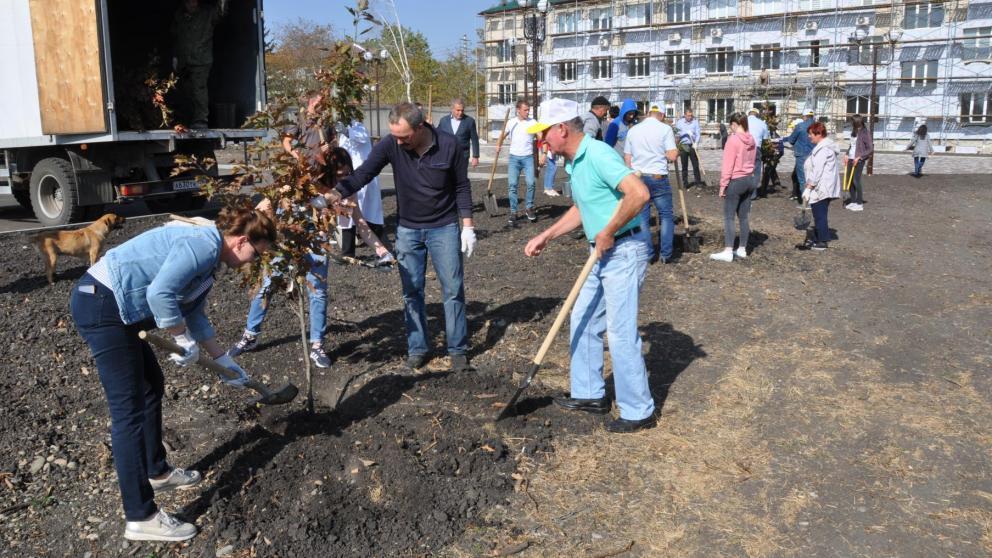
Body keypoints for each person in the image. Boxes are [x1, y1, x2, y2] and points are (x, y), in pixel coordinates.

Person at [70, 204, 276, 542]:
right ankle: (141, 517)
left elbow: (193, 312)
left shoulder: (212, 257)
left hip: (115, 306)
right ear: (241, 241)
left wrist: (223, 359)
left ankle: (157, 472)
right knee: (128, 412)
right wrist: (180, 337)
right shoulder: (204, 245)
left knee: (152, 386)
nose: (253, 261)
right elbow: (160, 293)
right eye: (256, 253)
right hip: (102, 305)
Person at [523, 98, 655, 434]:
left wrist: (609, 230)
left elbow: (639, 194)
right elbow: (584, 207)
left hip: (624, 249)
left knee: (620, 331)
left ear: (561, 129)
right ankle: (589, 394)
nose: (541, 141)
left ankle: (638, 410)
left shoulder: (597, 154)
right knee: (582, 316)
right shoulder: (575, 162)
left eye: (543, 134)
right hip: (601, 251)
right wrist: (547, 235)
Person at [323, 102, 475, 372]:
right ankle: (418, 349)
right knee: (412, 292)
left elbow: (462, 186)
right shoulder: (391, 144)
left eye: (404, 136)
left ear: (420, 127)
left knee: (453, 290)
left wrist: (468, 226)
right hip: (408, 230)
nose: (398, 141)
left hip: (444, 227)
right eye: (395, 135)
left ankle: (458, 350)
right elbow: (364, 173)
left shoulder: (449, 145)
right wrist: (336, 193)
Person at [624, 105, 678, 263]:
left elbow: (627, 157)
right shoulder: (665, 129)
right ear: (661, 115)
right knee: (666, 215)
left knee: (642, 217)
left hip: (638, 177)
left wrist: (630, 177)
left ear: (648, 114)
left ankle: (647, 253)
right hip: (658, 176)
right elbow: (672, 156)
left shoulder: (633, 130)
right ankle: (666, 254)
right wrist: (675, 149)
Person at [337, 118, 389, 258]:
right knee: (347, 216)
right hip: (347, 179)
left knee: (370, 217)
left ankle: (384, 251)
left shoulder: (359, 127)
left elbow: (362, 137)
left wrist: (347, 131)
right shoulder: (342, 136)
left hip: (363, 178)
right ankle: (347, 254)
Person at [171, 0, 227, 129]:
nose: (192, 4)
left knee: (199, 89)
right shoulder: (179, 15)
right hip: (183, 60)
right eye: (189, 2)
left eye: (194, 1)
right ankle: (186, 119)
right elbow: (175, 36)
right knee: (185, 91)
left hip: (201, 60)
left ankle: (201, 120)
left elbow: (221, 12)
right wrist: (175, 56)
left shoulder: (208, 13)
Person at [711, 112, 756, 262]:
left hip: (736, 181)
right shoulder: (752, 139)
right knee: (743, 217)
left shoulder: (733, 140)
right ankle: (742, 249)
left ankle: (728, 250)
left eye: (731, 126)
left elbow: (727, 165)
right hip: (750, 179)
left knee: (729, 217)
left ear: (735, 124)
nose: (730, 129)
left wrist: (723, 185)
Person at [799, 121, 841, 251]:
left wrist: (809, 187)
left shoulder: (823, 150)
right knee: (818, 213)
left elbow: (817, 170)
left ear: (819, 134)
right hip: (822, 185)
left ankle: (822, 241)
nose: (809, 136)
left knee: (820, 214)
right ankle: (817, 238)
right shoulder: (823, 147)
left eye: (811, 134)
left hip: (822, 187)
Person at [504, 100, 539, 224]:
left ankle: (529, 208)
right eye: (525, 110)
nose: (528, 112)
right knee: (512, 185)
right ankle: (514, 212)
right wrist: (498, 144)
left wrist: (544, 151)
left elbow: (541, 136)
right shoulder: (511, 122)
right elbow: (503, 134)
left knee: (531, 183)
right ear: (518, 110)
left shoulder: (533, 122)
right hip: (514, 158)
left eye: (528, 110)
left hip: (528, 157)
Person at [436, 98, 480, 169]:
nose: (460, 112)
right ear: (452, 109)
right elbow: (437, 136)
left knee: (461, 176)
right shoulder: (444, 121)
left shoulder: (469, 121)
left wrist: (475, 156)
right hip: (446, 157)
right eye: (458, 110)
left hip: (462, 157)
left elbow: (475, 140)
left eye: (462, 110)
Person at [843, 114, 873, 212]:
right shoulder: (854, 131)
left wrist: (860, 157)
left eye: (852, 121)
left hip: (859, 160)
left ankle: (859, 203)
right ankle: (853, 201)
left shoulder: (865, 132)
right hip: (850, 158)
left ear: (856, 122)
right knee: (849, 180)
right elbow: (851, 146)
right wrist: (847, 154)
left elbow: (870, 149)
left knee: (856, 180)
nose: (851, 123)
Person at [785, 110, 816, 202]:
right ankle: (814, 199)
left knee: (803, 178)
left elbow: (791, 140)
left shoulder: (800, 126)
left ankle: (806, 202)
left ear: (805, 116)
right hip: (815, 154)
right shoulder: (819, 126)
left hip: (802, 154)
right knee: (814, 177)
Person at [675, 109, 704, 187]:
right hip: (683, 145)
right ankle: (685, 183)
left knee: (695, 165)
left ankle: (698, 182)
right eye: (688, 115)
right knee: (684, 165)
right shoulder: (679, 122)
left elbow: (698, 134)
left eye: (691, 115)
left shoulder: (695, 122)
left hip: (692, 145)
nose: (690, 117)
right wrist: (685, 133)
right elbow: (676, 134)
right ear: (685, 115)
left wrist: (696, 143)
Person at [747, 107, 770, 200]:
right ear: (757, 114)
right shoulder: (762, 123)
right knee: (756, 171)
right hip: (756, 148)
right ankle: (753, 194)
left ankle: (743, 192)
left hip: (744, 148)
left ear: (749, 113)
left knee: (744, 170)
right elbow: (765, 139)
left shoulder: (743, 121)